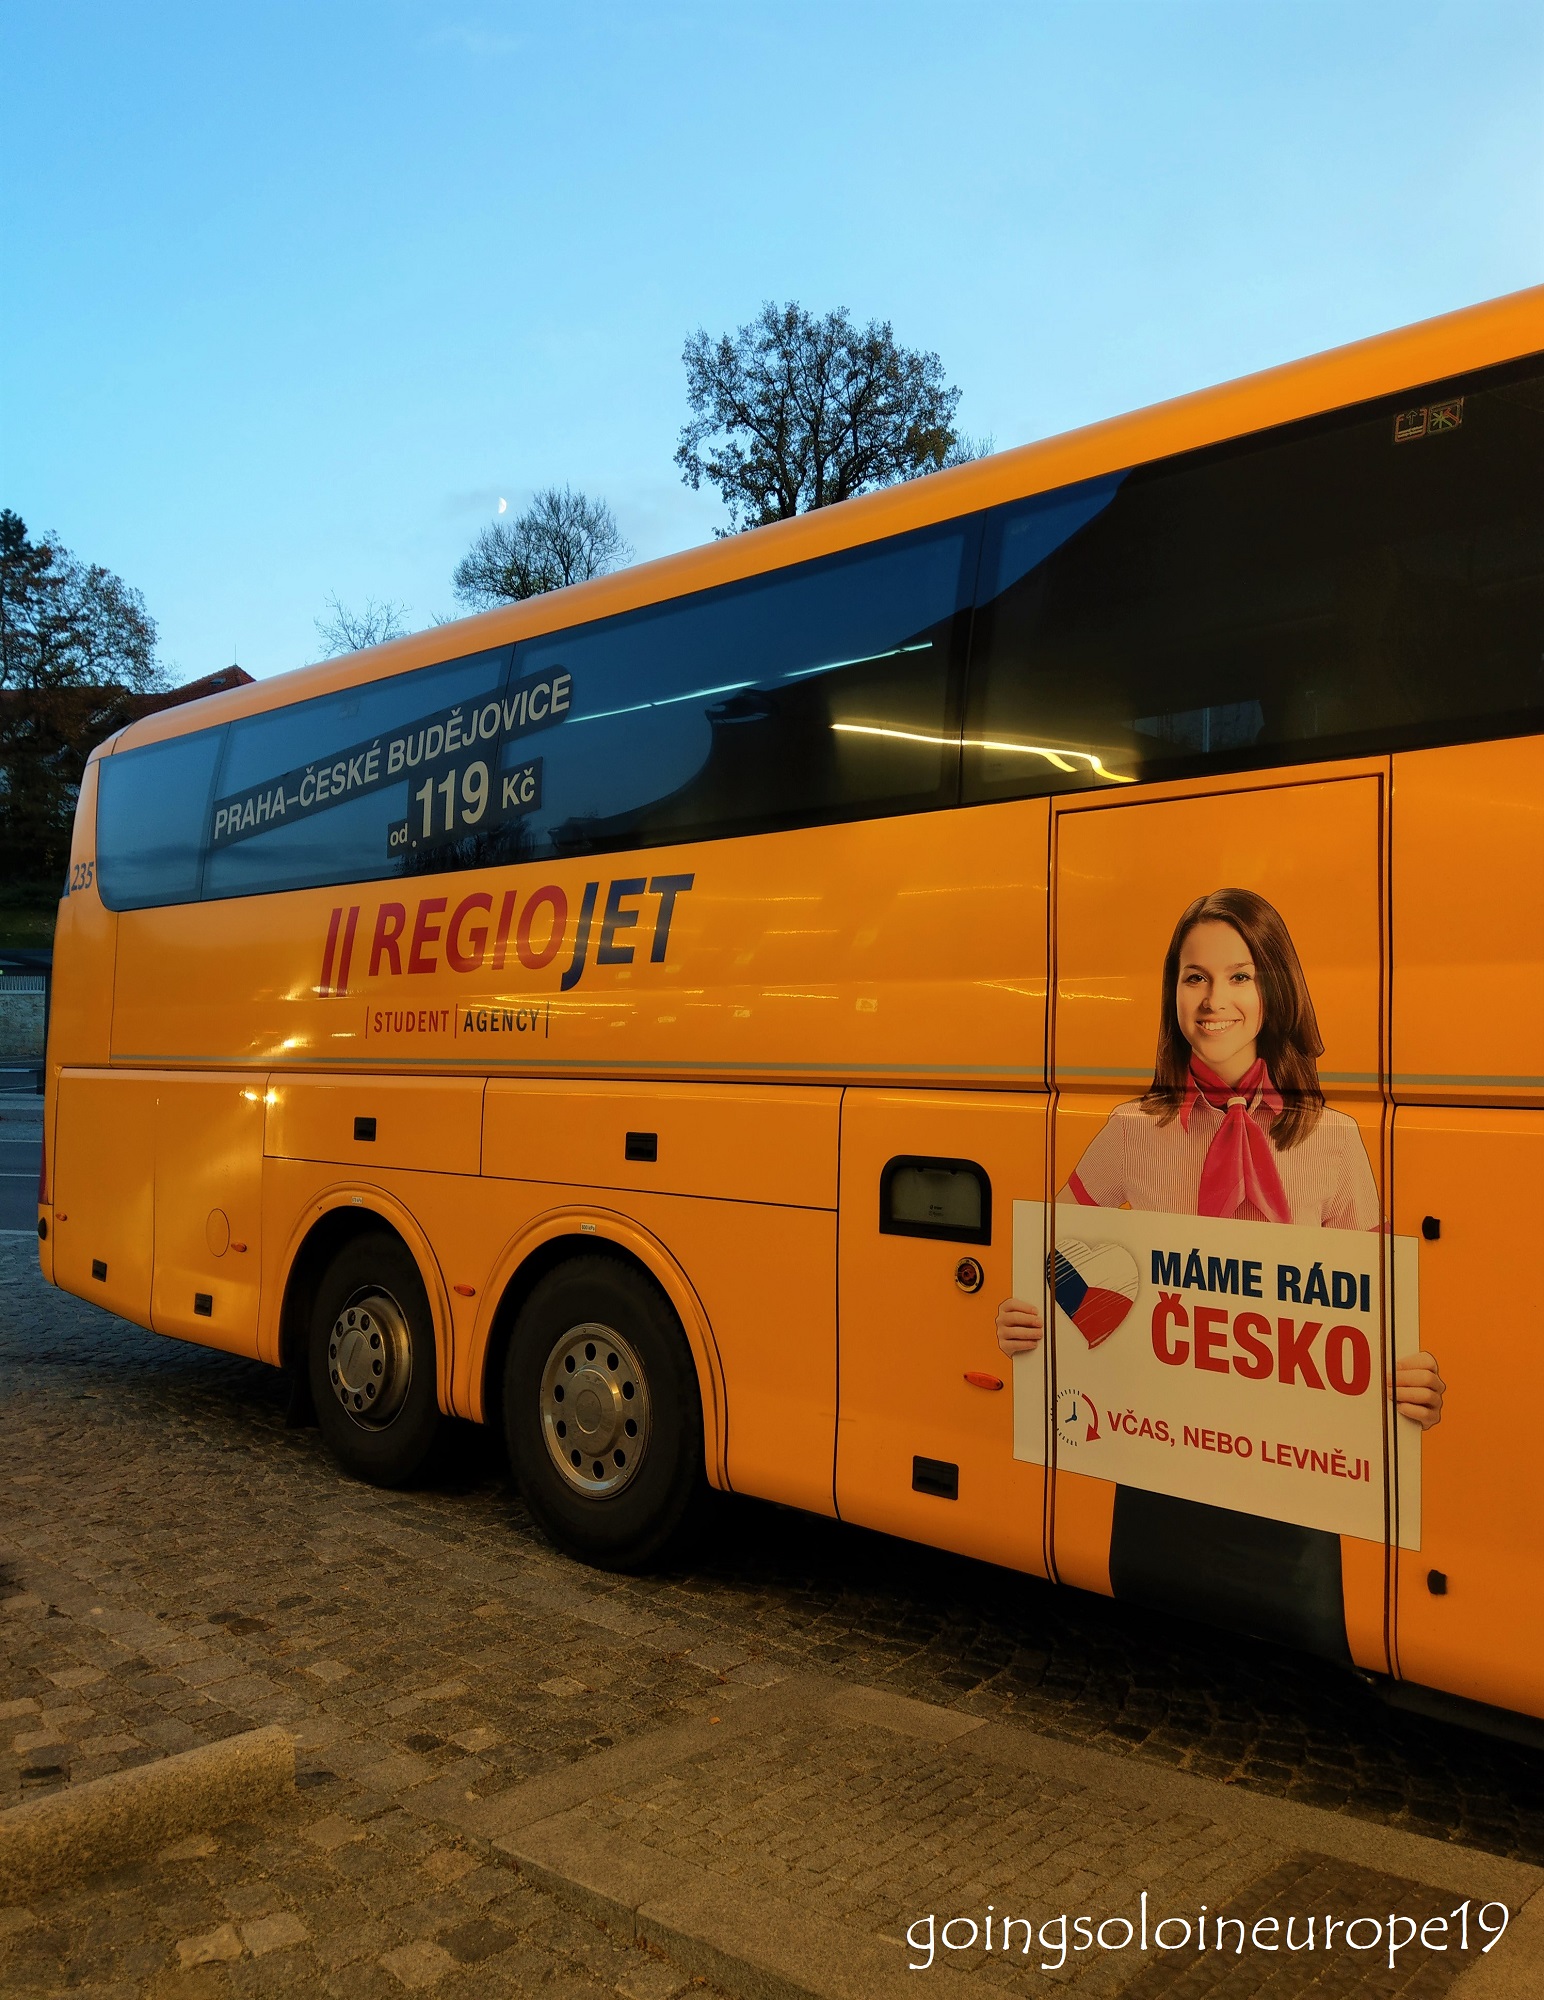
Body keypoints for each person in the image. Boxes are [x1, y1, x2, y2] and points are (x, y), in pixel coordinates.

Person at [996, 886, 1444, 1659]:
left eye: (1240, 976)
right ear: (1173, 992)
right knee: (1148, 1662)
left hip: (1292, 1489)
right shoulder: (1134, 1130)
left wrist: (1414, 1381)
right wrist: (1041, 1320)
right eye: (1194, 977)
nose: (1213, 1001)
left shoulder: (1334, 1141)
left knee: (1297, 1671)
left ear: (1275, 989)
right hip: (1160, 1471)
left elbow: (1374, 1319)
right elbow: (1053, 1253)